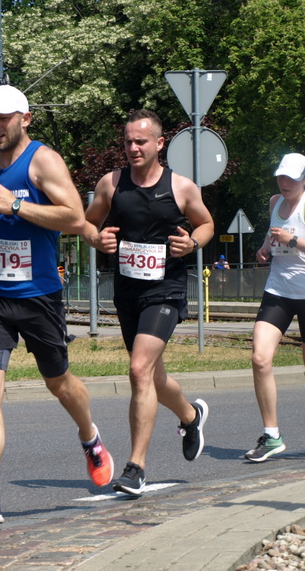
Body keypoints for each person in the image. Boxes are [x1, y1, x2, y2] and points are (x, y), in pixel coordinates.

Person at [0, 85, 113, 527]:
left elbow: (76, 218)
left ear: (26, 118)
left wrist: (18, 204)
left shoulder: (44, 160)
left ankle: (90, 437)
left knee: (59, 384)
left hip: (38, 295)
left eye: (3, 118)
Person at [82, 109, 214, 496]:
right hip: (128, 293)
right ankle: (191, 416)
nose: (133, 148)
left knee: (139, 370)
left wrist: (192, 242)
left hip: (166, 291)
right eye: (127, 141)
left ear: (159, 144)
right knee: (153, 377)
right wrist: (97, 239)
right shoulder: (111, 184)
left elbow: (205, 223)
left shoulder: (181, 187)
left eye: (141, 141)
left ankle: (136, 467)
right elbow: (86, 224)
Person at [245, 153, 305, 462]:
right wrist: (264, 247)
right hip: (278, 292)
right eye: (281, 177)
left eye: (291, 178)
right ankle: (272, 436)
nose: (284, 183)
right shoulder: (276, 201)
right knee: (260, 359)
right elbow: (274, 231)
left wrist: (294, 240)